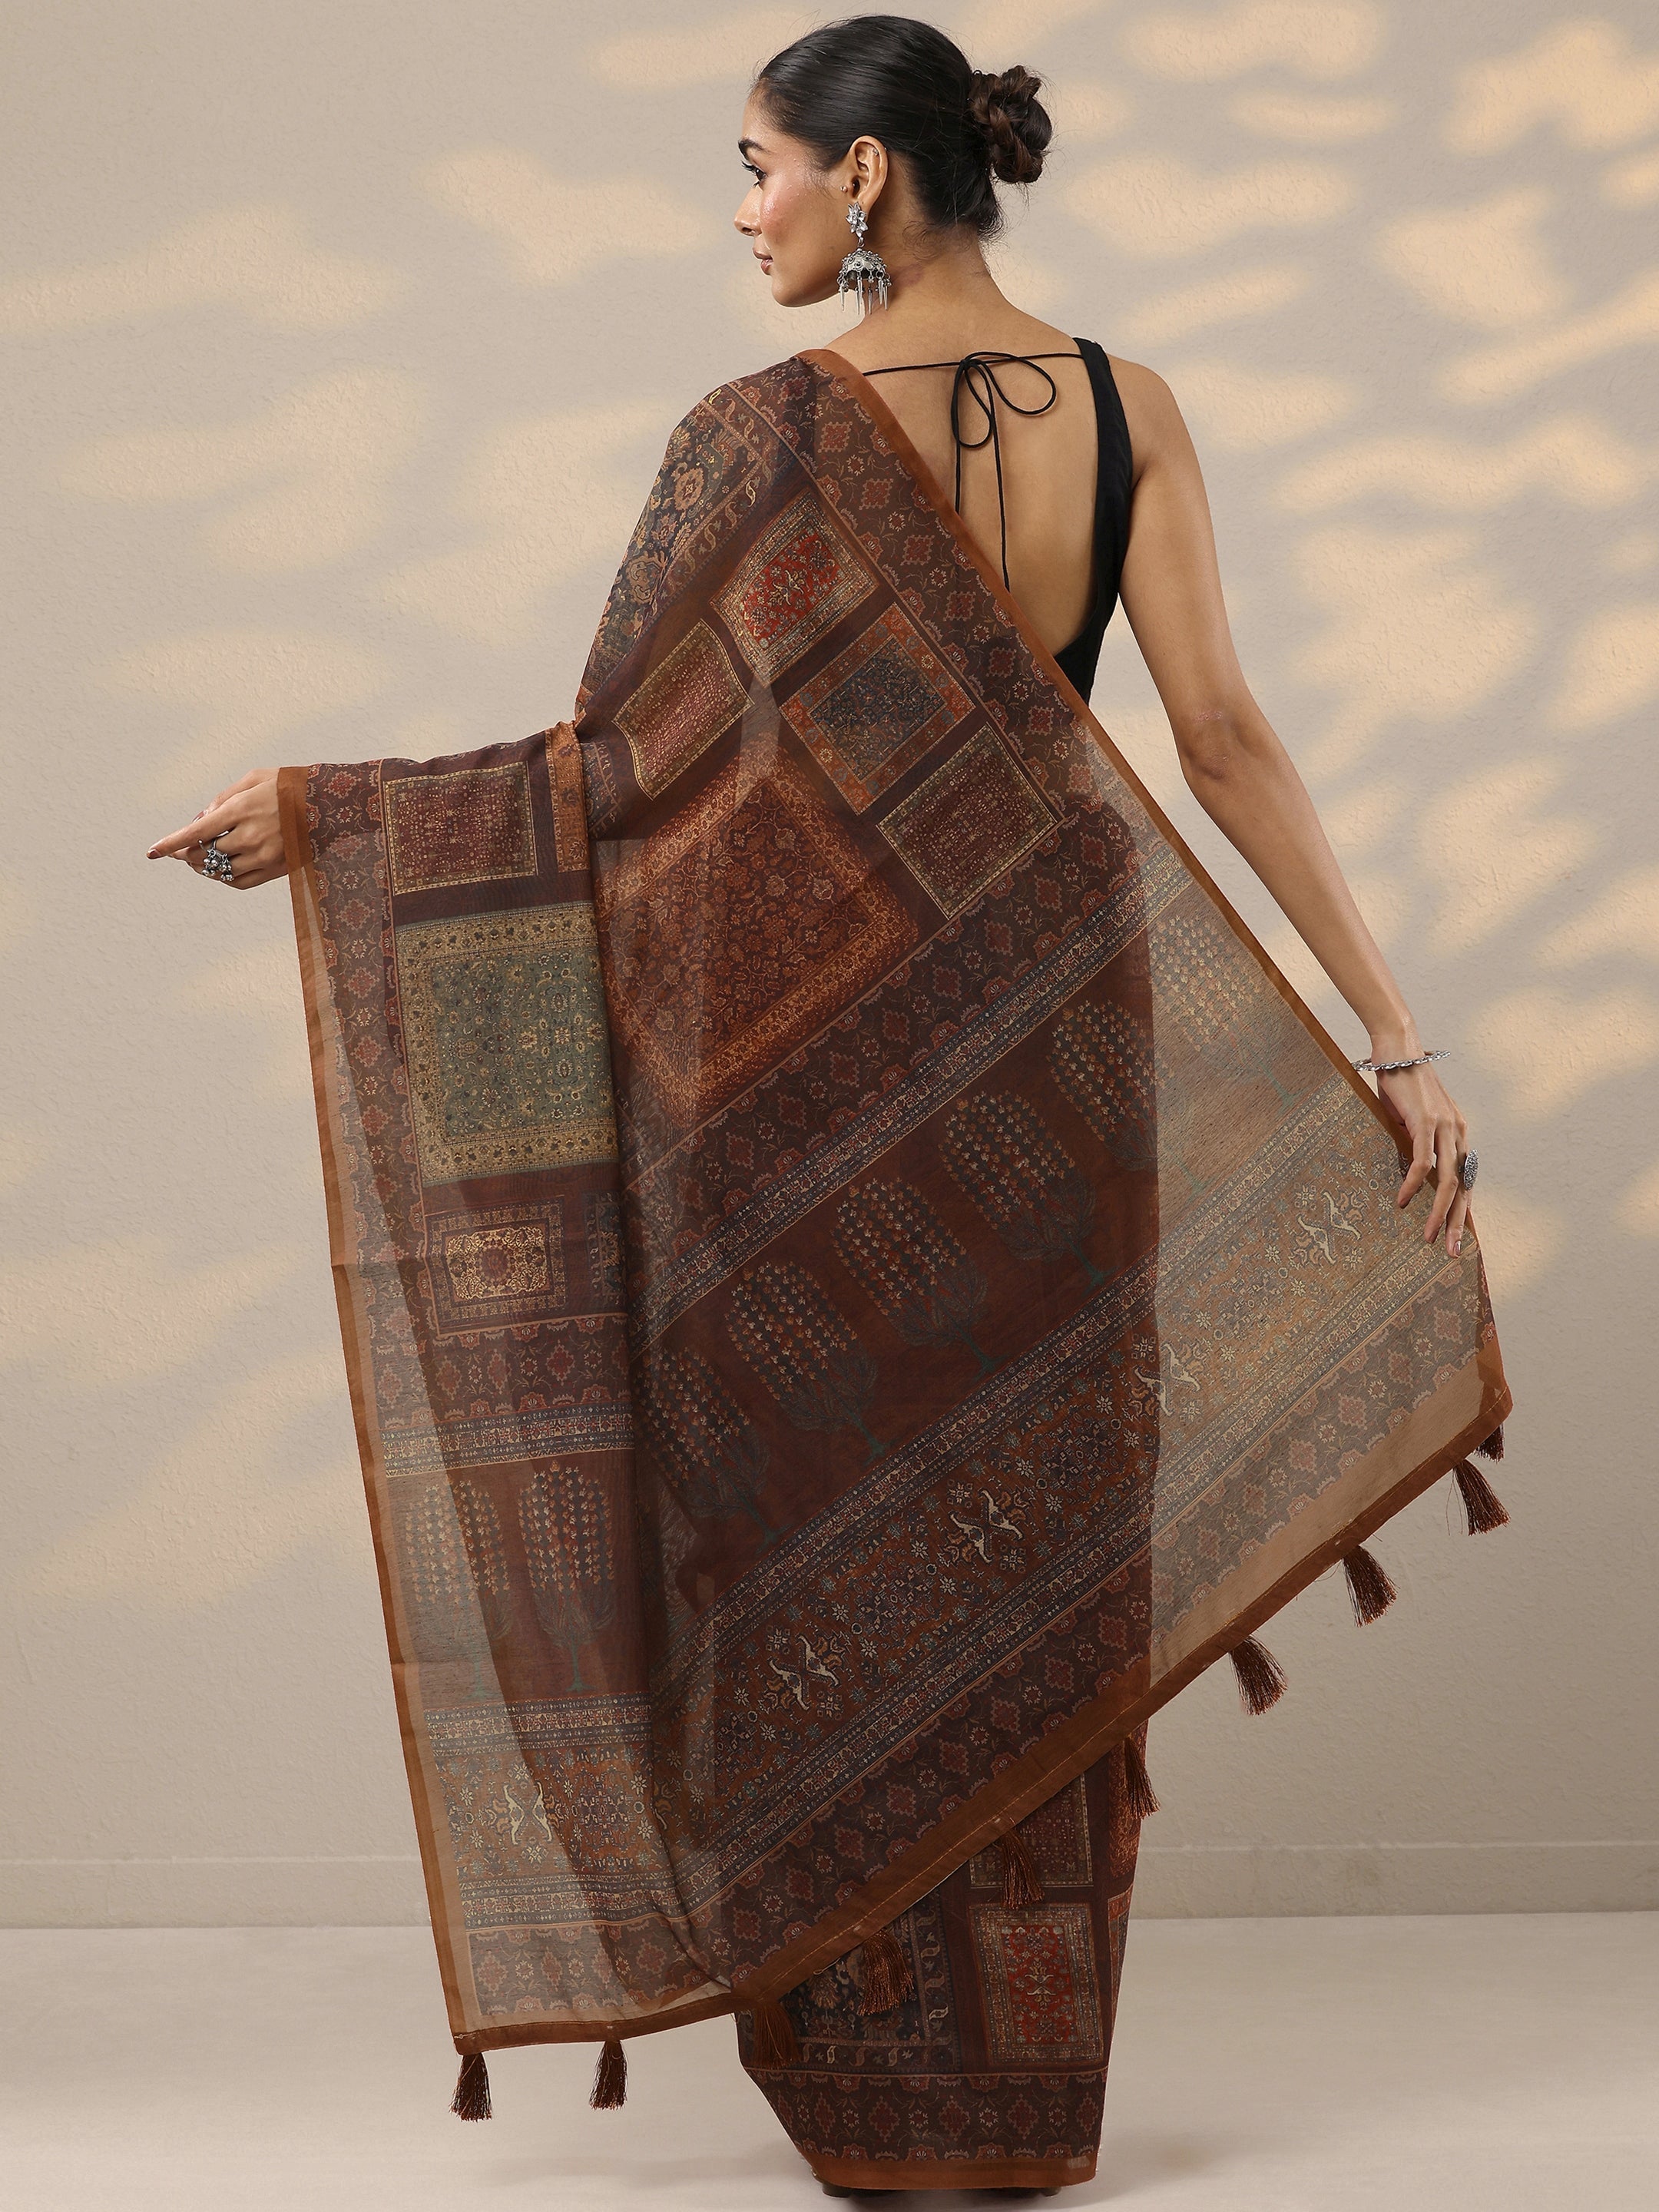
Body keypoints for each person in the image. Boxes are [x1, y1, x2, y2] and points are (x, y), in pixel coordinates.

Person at [147, 17, 1498, 2198]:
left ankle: (886, 2095)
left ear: (867, 178)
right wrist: (1397, 1036)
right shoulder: (1129, 409)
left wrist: (334, 816)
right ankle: (1018, 2094)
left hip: (805, 1071)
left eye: (759, 164)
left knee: (809, 1525)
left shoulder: (758, 436)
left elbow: (611, 780)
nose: (742, 210)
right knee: (1048, 1506)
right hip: (1062, 1024)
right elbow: (1224, 737)